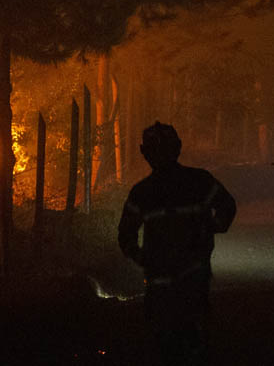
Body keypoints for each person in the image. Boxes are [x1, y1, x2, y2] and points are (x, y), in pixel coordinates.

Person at [118, 122, 237, 366]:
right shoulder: (199, 181)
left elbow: (125, 235)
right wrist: (213, 227)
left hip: (160, 277)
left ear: (144, 153)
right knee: (193, 335)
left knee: (163, 339)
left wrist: (141, 258)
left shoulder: (142, 192)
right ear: (178, 148)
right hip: (194, 272)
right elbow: (227, 207)